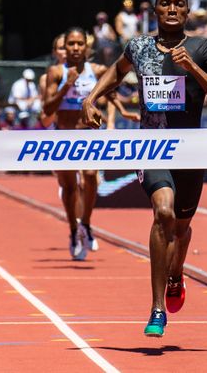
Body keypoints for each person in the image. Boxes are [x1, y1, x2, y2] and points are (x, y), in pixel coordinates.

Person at [83, 0, 207, 337]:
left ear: (186, 12)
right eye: (164, 3)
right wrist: (92, 97)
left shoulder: (204, 49)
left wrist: (194, 69)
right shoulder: (138, 47)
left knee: (181, 229)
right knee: (162, 212)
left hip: (191, 152)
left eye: (178, 4)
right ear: (155, 10)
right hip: (150, 147)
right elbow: (116, 71)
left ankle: (176, 273)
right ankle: (156, 308)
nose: (171, 9)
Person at [43, 27, 138, 261]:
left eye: (79, 44)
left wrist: (123, 112)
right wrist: (67, 85)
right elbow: (47, 109)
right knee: (69, 187)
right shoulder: (56, 72)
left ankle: (85, 223)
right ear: (64, 48)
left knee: (90, 176)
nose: (75, 48)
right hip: (64, 135)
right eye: (70, 44)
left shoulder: (97, 71)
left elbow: (111, 92)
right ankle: (74, 231)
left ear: (86, 47)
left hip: (88, 135)